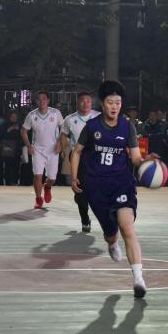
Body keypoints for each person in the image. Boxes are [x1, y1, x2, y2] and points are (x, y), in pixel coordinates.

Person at [70, 80, 158, 298]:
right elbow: (77, 151)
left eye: (118, 103)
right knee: (111, 234)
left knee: (127, 227)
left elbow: (135, 158)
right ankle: (112, 242)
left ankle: (138, 279)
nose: (115, 107)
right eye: (110, 102)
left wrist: (145, 161)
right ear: (103, 104)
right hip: (96, 186)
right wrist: (74, 177)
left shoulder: (127, 127)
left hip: (121, 182)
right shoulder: (92, 127)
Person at [60, 92, 100, 232]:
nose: (85, 103)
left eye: (88, 101)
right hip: (77, 156)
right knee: (79, 189)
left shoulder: (99, 117)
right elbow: (63, 135)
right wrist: (64, 150)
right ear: (78, 103)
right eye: (82, 101)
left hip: (96, 156)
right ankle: (85, 219)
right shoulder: (70, 119)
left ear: (91, 103)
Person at [22, 91, 64, 209]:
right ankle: (38, 199)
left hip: (53, 150)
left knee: (52, 178)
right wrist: (29, 146)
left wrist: (59, 143)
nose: (42, 101)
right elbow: (23, 131)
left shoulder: (55, 113)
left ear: (48, 100)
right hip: (38, 150)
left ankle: (48, 187)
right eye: (39, 99)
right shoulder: (31, 115)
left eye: (44, 99)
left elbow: (63, 128)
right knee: (37, 175)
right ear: (36, 101)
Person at [0, 110, 22, 186]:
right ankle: (7, 183)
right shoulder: (5, 124)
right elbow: (1, 135)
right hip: (8, 147)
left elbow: (23, 135)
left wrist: (19, 130)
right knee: (8, 166)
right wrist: (10, 129)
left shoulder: (20, 124)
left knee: (16, 166)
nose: (14, 118)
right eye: (12, 117)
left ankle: (15, 182)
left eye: (15, 117)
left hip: (17, 148)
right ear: (9, 117)